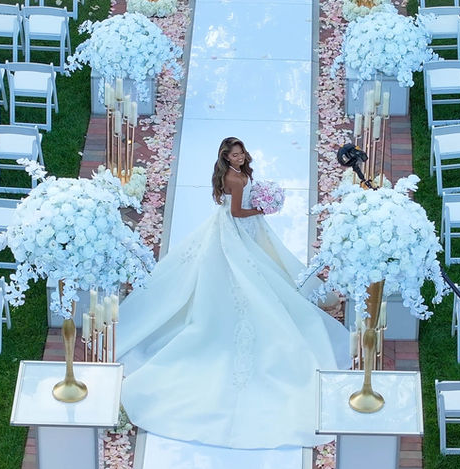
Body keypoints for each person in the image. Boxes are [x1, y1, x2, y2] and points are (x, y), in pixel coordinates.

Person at [115, 137, 351, 449]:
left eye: (241, 154)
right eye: (234, 155)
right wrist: (260, 209)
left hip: (240, 228)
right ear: (226, 158)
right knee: (246, 274)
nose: (239, 158)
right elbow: (237, 212)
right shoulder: (233, 180)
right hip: (236, 230)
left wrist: (261, 202)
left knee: (264, 267)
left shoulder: (239, 174)